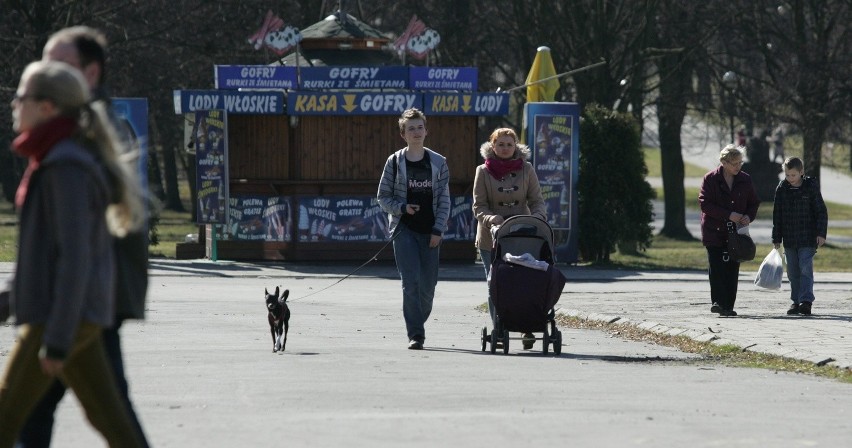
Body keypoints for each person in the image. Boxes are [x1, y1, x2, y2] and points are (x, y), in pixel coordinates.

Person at [16, 26, 151, 448]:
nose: (46, 73)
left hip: (84, 302)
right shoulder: (63, 134)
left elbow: (84, 242)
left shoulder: (87, 136)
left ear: (90, 74)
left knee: (26, 416)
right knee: (101, 416)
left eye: (61, 65)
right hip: (78, 301)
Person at [377, 108, 450, 350]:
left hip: (430, 231)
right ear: (403, 134)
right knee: (411, 282)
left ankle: (417, 321)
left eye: (420, 127)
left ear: (426, 131)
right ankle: (416, 335)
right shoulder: (395, 162)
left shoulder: (439, 162)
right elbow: (382, 197)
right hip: (403, 230)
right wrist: (401, 208)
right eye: (411, 129)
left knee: (428, 286)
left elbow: (445, 201)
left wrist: (438, 230)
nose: (416, 132)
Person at [473, 128, 546, 349]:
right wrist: (490, 218)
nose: (505, 148)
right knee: (495, 283)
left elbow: (537, 200)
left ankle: (526, 326)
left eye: (509, 144)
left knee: (525, 282)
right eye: (500, 144)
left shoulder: (527, 169)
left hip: (523, 235)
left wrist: (538, 219)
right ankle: (500, 326)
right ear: (492, 146)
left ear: (516, 147)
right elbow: (478, 206)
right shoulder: (482, 172)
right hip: (491, 236)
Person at [698, 144, 759, 317]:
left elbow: (754, 202)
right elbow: (705, 204)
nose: (738, 167)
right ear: (724, 162)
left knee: (732, 268)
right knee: (716, 267)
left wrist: (748, 216)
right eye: (734, 163)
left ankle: (728, 306)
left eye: (740, 163)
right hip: (714, 231)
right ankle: (717, 302)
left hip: (736, 234)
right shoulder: (710, 179)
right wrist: (728, 215)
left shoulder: (745, 179)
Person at [772, 157, 828, 316]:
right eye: (787, 175)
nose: (790, 178)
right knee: (792, 271)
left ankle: (806, 301)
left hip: (807, 238)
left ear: (801, 172)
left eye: (793, 175)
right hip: (789, 239)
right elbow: (777, 215)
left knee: (805, 268)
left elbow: (821, 212)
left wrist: (821, 233)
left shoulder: (810, 187)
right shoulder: (782, 189)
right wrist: (776, 237)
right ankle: (795, 301)